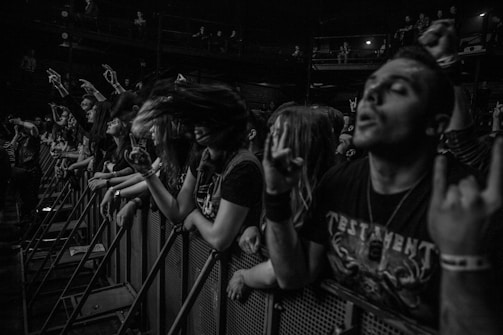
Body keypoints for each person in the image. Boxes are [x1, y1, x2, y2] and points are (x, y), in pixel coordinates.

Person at [264, 20, 481, 327]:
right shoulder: (339, 182)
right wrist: (275, 196)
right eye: (370, 87)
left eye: (396, 90)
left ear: (435, 123)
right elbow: (291, 276)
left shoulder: (465, 200)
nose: (371, 96)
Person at [125, 83, 264, 251]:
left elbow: (219, 239)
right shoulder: (202, 157)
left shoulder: (242, 166)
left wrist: (195, 217)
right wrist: (147, 172)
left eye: (205, 120)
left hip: (234, 267)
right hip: (209, 264)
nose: (197, 125)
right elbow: (177, 212)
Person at [227, 105, 337, 300]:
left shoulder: (322, 193)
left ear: (301, 141)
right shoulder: (288, 183)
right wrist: (254, 228)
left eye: (278, 134)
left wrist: (244, 275)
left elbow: (277, 272)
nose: (270, 141)